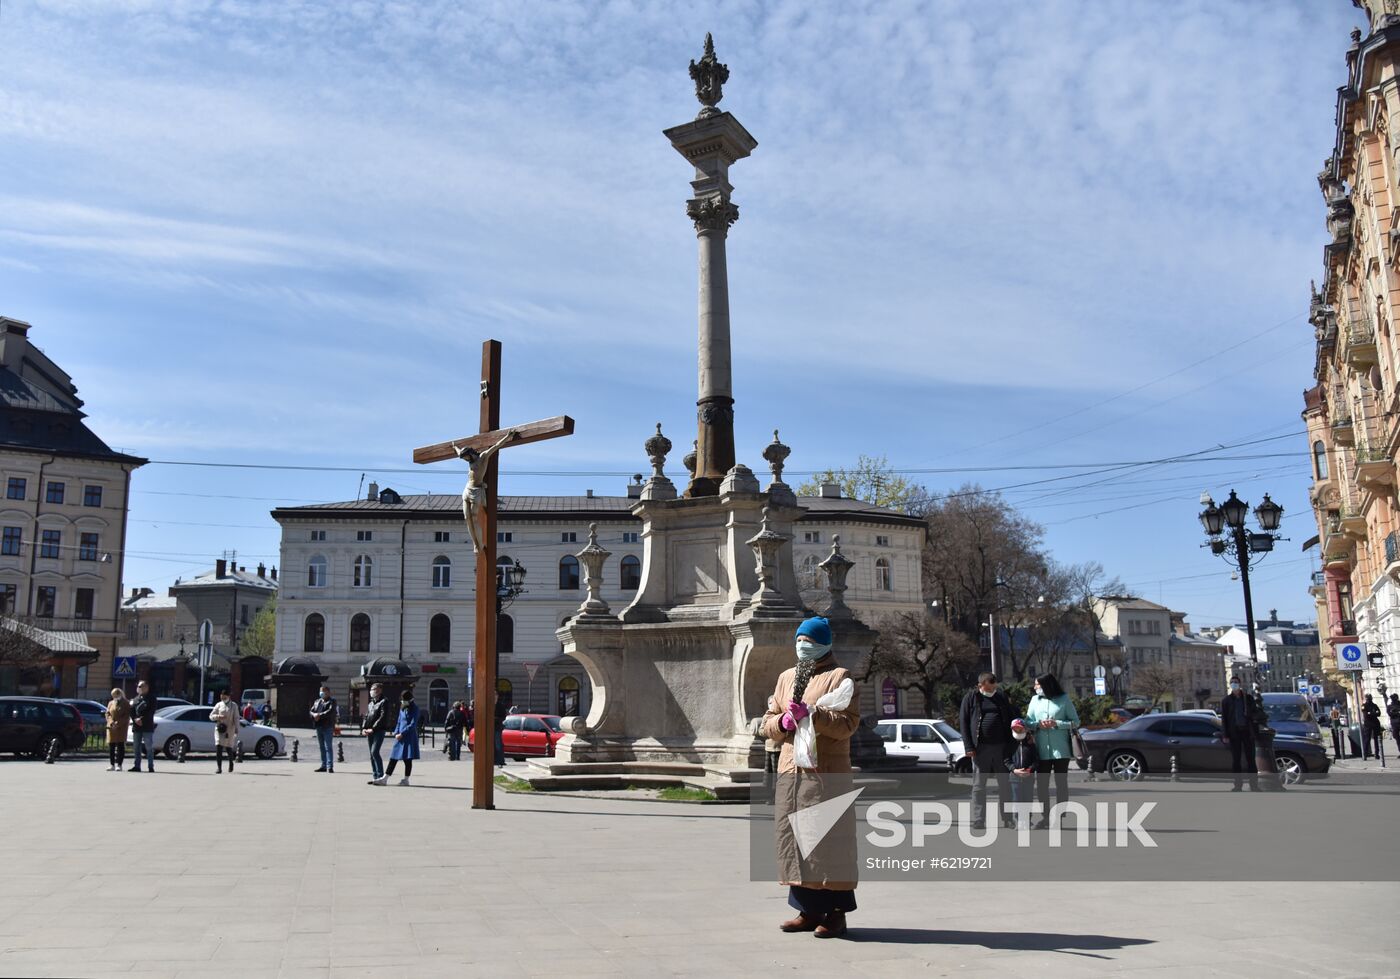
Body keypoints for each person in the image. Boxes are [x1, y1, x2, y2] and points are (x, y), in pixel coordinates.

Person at [762, 616, 860, 940]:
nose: (803, 645)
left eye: (809, 640)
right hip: (792, 772)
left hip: (825, 773)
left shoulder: (840, 677)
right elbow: (767, 721)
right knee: (796, 843)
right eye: (799, 639)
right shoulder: (786, 677)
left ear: (824, 644)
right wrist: (782, 724)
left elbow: (847, 724)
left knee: (830, 844)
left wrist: (814, 715)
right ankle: (807, 910)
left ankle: (835, 915)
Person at [1022, 673, 1081, 828]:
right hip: (1041, 749)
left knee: (1061, 784)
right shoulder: (1034, 700)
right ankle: (1045, 817)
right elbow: (1028, 721)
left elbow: (1075, 722)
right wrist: (1037, 725)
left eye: (1037, 685)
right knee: (1042, 785)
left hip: (1061, 749)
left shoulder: (1064, 699)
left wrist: (1057, 723)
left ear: (1046, 685)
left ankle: (1059, 818)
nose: (1035, 688)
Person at [958, 672, 1014, 831]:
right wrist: (968, 746)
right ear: (980, 686)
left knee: (1005, 785)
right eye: (988, 688)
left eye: (994, 687)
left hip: (1001, 747)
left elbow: (1010, 716)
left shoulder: (1000, 697)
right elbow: (964, 722)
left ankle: (1007, 818)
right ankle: (979, 819)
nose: (991, 691)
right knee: (979, 786)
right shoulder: (971, 698)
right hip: (980, 748)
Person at [1221, 675, 1258, 790]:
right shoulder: (1226, 700)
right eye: (1232, 682)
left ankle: (1254, 786)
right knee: (1236, 760)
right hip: (1234, 733)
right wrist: (1225, 735)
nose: (1234, 684)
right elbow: (1224, 719)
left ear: (1240, 684)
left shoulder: (1248, 698)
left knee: (1250, 760)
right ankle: (1237, 786)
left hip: (1247, 732)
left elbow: (1255, 713)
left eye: (1236, 682)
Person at [1006, 718, 1039, 830]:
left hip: (1028, 777)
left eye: (1020, 728)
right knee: (1017, 800)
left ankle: (1027, 820)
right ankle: (1018, 821)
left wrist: (1030, 770)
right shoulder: (1010, 744)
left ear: (1025, 729)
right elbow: (1007, 760)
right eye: (1015, 729)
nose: (1018, 731)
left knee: (1028, 799)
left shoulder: (1030, 744)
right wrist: (1014, 769)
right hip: (1014, 778)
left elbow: (1036, 760)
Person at [385, 690, 420, 786]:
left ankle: (406, 779)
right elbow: (399, 721)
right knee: (393, 757)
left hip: (408, 736)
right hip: (399, 736)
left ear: (409, 699)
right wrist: (396, 732)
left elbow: (412, 724)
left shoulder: (415, 708)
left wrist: (402, 733)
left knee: (407, 759)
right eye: (402, 700)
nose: (403, 701)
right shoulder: (402, 708)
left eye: (404, 700)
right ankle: (385, 777)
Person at [362, 683, 391, 785]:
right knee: (371, 754)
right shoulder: (371, 703)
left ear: (379, 690)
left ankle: (380, 776)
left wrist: (373, 728)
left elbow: (383, 717)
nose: (372, 691)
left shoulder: (384, 701)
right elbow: (366, 716)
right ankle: (375, 777)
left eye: (374, 689)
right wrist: (364, 728)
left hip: (379, 730)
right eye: (371, 689)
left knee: (375, 752)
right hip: (370, 730)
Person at [129, 680, 157, 773]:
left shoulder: (151, 698)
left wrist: (142, 719)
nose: (139, 688)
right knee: (136, 746)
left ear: (147, 687)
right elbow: (132, 711)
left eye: (141, 686)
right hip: (137, 727)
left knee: (148, 747)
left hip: (147, 726)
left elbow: (151, 712)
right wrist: (135, 719)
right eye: (138, 686)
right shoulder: (136, 699)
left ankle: (150, 766)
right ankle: (137, 766)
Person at [210, 689, 240, 774]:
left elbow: (236, 718)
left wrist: (237, 728)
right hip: (220, 729)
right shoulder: (219, 705)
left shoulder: (233, 706)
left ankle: (231, 762)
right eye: (222, 697)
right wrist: (218, 716)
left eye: (225, 697)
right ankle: (219, 768)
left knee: (228, 748)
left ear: (229, 697)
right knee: (219, 747)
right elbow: (211, 716)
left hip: (229, 729)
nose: (223, 698)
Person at [309, 685, 337, 773]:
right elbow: (311, 710)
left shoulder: (332, 701)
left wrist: (319, 715)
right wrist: (313, 715)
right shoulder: (317, 701)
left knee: (328, 746)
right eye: (320, 691)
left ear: (328, 692)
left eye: (323, 691)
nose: (321, 693)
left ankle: (330, 766)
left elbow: (330, 711)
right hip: (319, 726)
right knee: (321, 747)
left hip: (327, 726)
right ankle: (323, 765)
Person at [105, 688, 130, 772]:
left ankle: (119, 764)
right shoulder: (111, 703)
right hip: (111, 727)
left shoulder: (126, 703)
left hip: (121, 728)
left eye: (115, 695)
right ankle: (112, 764)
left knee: (120, 746)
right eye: (113, 696)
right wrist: (111, 722)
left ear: (119, 694)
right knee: (111, 747)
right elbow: (107, 713)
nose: (114, 697)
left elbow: (126, 716)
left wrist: (118, 723)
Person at [1361, 694, 1383, 759]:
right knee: (1367, 739)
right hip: (1368, 724)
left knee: (1377, 739)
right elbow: (1366, 715)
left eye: (1370, 698)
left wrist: (1370, 713)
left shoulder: (1374, 705)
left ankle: (1377, 754)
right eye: (1368, 698)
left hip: (1375, 723)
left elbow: (1379, 713)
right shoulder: (1364, 706)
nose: (1369, 699)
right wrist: (1373, 713)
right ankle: (1365, 754)